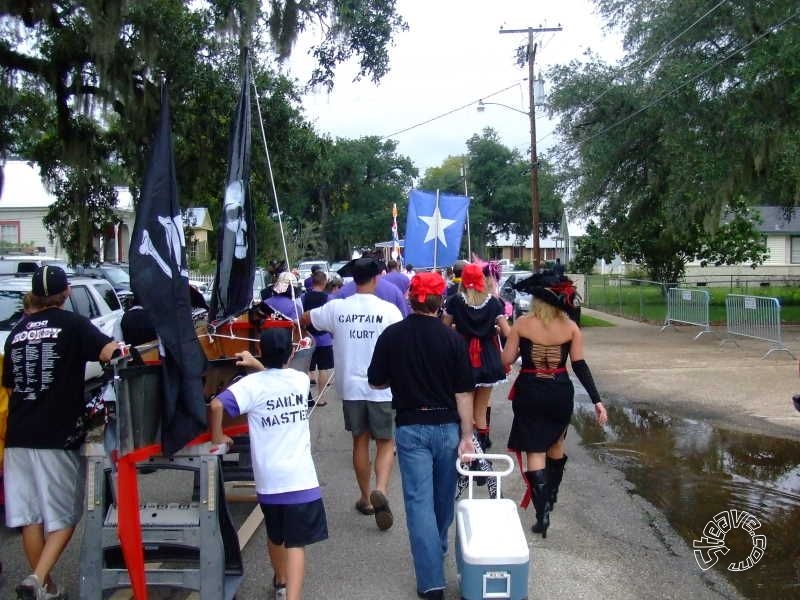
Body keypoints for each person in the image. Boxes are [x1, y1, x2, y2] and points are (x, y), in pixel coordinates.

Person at [3, 265, 118, 599]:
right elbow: (109, 352)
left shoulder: (17, 332)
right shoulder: (73, 324)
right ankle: (38, 578)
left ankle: (45, 586)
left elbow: (10, 388)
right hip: (56, 434)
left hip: (17, 436)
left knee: (30, 517)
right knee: (66, 515)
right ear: (66, 292)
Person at [368, 272, 474, 600]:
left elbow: (376, 382)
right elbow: (464, 394)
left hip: (411, 427)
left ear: (411, 298)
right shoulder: (453, 339)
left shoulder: (392, 335)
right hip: (447, 428)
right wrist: (467, 435)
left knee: (418, 503)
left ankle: (431, 583)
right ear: (440, 301)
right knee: (444, 500)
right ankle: (437, 548)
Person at [209, 328, 327, 600]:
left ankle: (281, 582)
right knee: (297, 543)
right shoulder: (299, 380)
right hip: (301, 478)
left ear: (261, 351)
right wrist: (260, 365)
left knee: (276, 535)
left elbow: (216, 406)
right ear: (291, 352)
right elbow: (278, 378)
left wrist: (219, 435)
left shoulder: (251, 386)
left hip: (269, 480)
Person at [501, 273, 607, 538]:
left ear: (538, 301)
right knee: (556, 443)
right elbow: (580, 366)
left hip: (530, 388)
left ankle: (542, 513)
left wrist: (504, 332)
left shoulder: (523, 324)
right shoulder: (571, 327)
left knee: (535, 450)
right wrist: (597, 400)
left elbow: (507, 358)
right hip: (559, 390)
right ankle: (552, 495)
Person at [302, 257, 403, 530]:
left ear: (352, 280)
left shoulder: (337, 308)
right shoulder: (389, 311)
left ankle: (365, 498)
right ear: (377, 278)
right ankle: (380, 488)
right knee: (385, 442)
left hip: (350, 386)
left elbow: (306, 319)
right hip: (382, 387)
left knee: (359, 441)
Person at [442, 263, 510, 453]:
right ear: (482, 280)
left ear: (463, 281)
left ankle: (467, 452)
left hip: (462, 357)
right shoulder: (494, 303)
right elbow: (507, 333)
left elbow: (444, 329)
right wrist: (492, 329)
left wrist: (458, 329)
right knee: (480, 411)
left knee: (465, 408)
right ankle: (481, 454)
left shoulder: (455, 301)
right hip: (488, 357)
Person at [301, 270, 333, 406]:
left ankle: (307, 398)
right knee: (323, 369)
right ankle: (321, 397)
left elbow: (300, 316)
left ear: (312, 282)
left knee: (306, 368)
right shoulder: (328, 299)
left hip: (308, 338)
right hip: (324, 338)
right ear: (324, 282)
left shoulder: (303, 297)